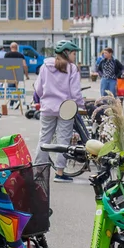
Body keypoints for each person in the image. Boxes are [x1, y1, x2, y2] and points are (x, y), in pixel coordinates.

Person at [34, 41, 84, 176]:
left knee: (44, 139)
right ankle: (60, 173)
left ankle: (38, 172)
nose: (75, 57)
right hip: (66, 109)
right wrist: (80, 105)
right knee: (63, 141)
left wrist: (45, 98)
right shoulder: (72, 68)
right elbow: (75, 92)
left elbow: (38, 88)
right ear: (67, 53)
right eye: (74, 54)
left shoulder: (45, 67)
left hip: (48, 108)